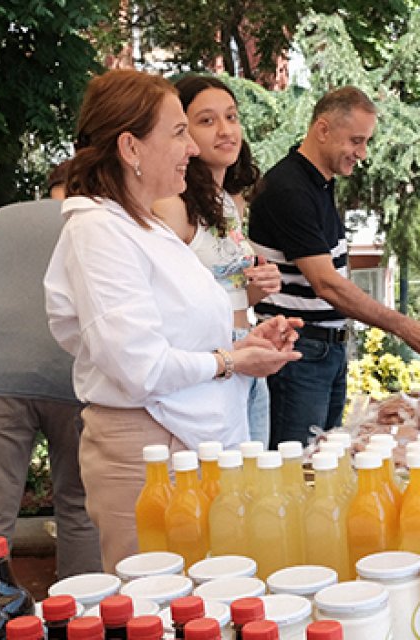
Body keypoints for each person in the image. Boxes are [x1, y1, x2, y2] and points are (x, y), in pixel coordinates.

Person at [42, 69, 302, 570]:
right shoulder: (98, 232)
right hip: (149, 455)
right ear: (131, 148)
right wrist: (231, 359)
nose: (191, 148)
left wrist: (245, 340)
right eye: (180, 131)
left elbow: (182, 328)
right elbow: (138, 367)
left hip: (191, 444)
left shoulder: (140, 227)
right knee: (159, 608)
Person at [248, 86, 420, 447]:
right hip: (298, 355)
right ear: (323, 130)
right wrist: (403, 326)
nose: (362, 153)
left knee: (323, 464)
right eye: (356, 141)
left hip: (325, 352)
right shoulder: (289, 189)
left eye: (366, 142)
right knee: (299, 470)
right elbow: (326, 284)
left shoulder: (319, 183)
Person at [0, 194, 101, 578]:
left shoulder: (0, 218)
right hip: (77, 379)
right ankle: (83, 618)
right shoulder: (102, 220)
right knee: (81, 511)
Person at [152, 75, 282, 446]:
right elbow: (166, 300)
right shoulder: (170, 208)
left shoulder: (230, 202)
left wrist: (256, 288)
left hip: (248, 347)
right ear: (181, 132)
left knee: (254, 482)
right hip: (210, 362)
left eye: (231, 117)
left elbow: (229, 293)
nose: (226, 130)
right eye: (206, 121)